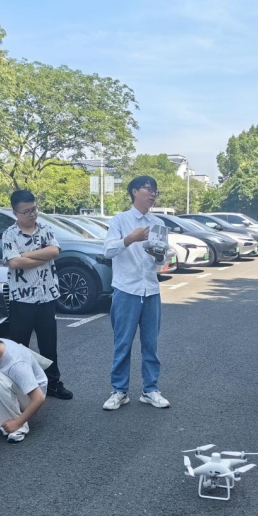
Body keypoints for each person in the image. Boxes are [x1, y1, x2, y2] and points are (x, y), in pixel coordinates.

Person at [102, 175, 170, 411]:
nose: (152, 194)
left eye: (155, 191)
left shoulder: (158, 223)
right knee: (123, 343)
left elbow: (162, 261)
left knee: (151, 344)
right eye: (148, 189)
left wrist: (159, 255)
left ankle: (150, 390)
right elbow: (107, 250)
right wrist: (130, 239)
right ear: (134, 192)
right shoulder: (120, 220)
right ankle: (119, 391)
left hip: (150, 290)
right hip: (126, 290)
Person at [2, 190, 72, 400]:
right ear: (16, 213)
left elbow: (54, 251)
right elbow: (14, 262)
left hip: (47, 296)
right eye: (27, 211)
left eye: (34, 209)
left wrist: (27, 255)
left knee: (48, 345)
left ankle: (53, 383)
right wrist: (41, 256)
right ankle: (20, 386)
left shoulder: (45, 229)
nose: (32, 214)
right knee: (19, 346)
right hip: (22, 299)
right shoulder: (10, 234)